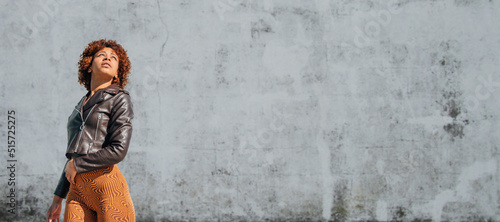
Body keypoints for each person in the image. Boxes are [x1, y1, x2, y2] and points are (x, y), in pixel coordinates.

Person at [46, 39, 135, 222]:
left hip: (107, 188)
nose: (107, 58)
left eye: (113, 58)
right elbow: (73, 157)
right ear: (89, 65)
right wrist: (57, 198)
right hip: (77, 191)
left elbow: (119, 149)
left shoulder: (119, 99)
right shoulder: (79, 106)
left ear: (118, 72)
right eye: (101, 55)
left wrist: (78, 165)